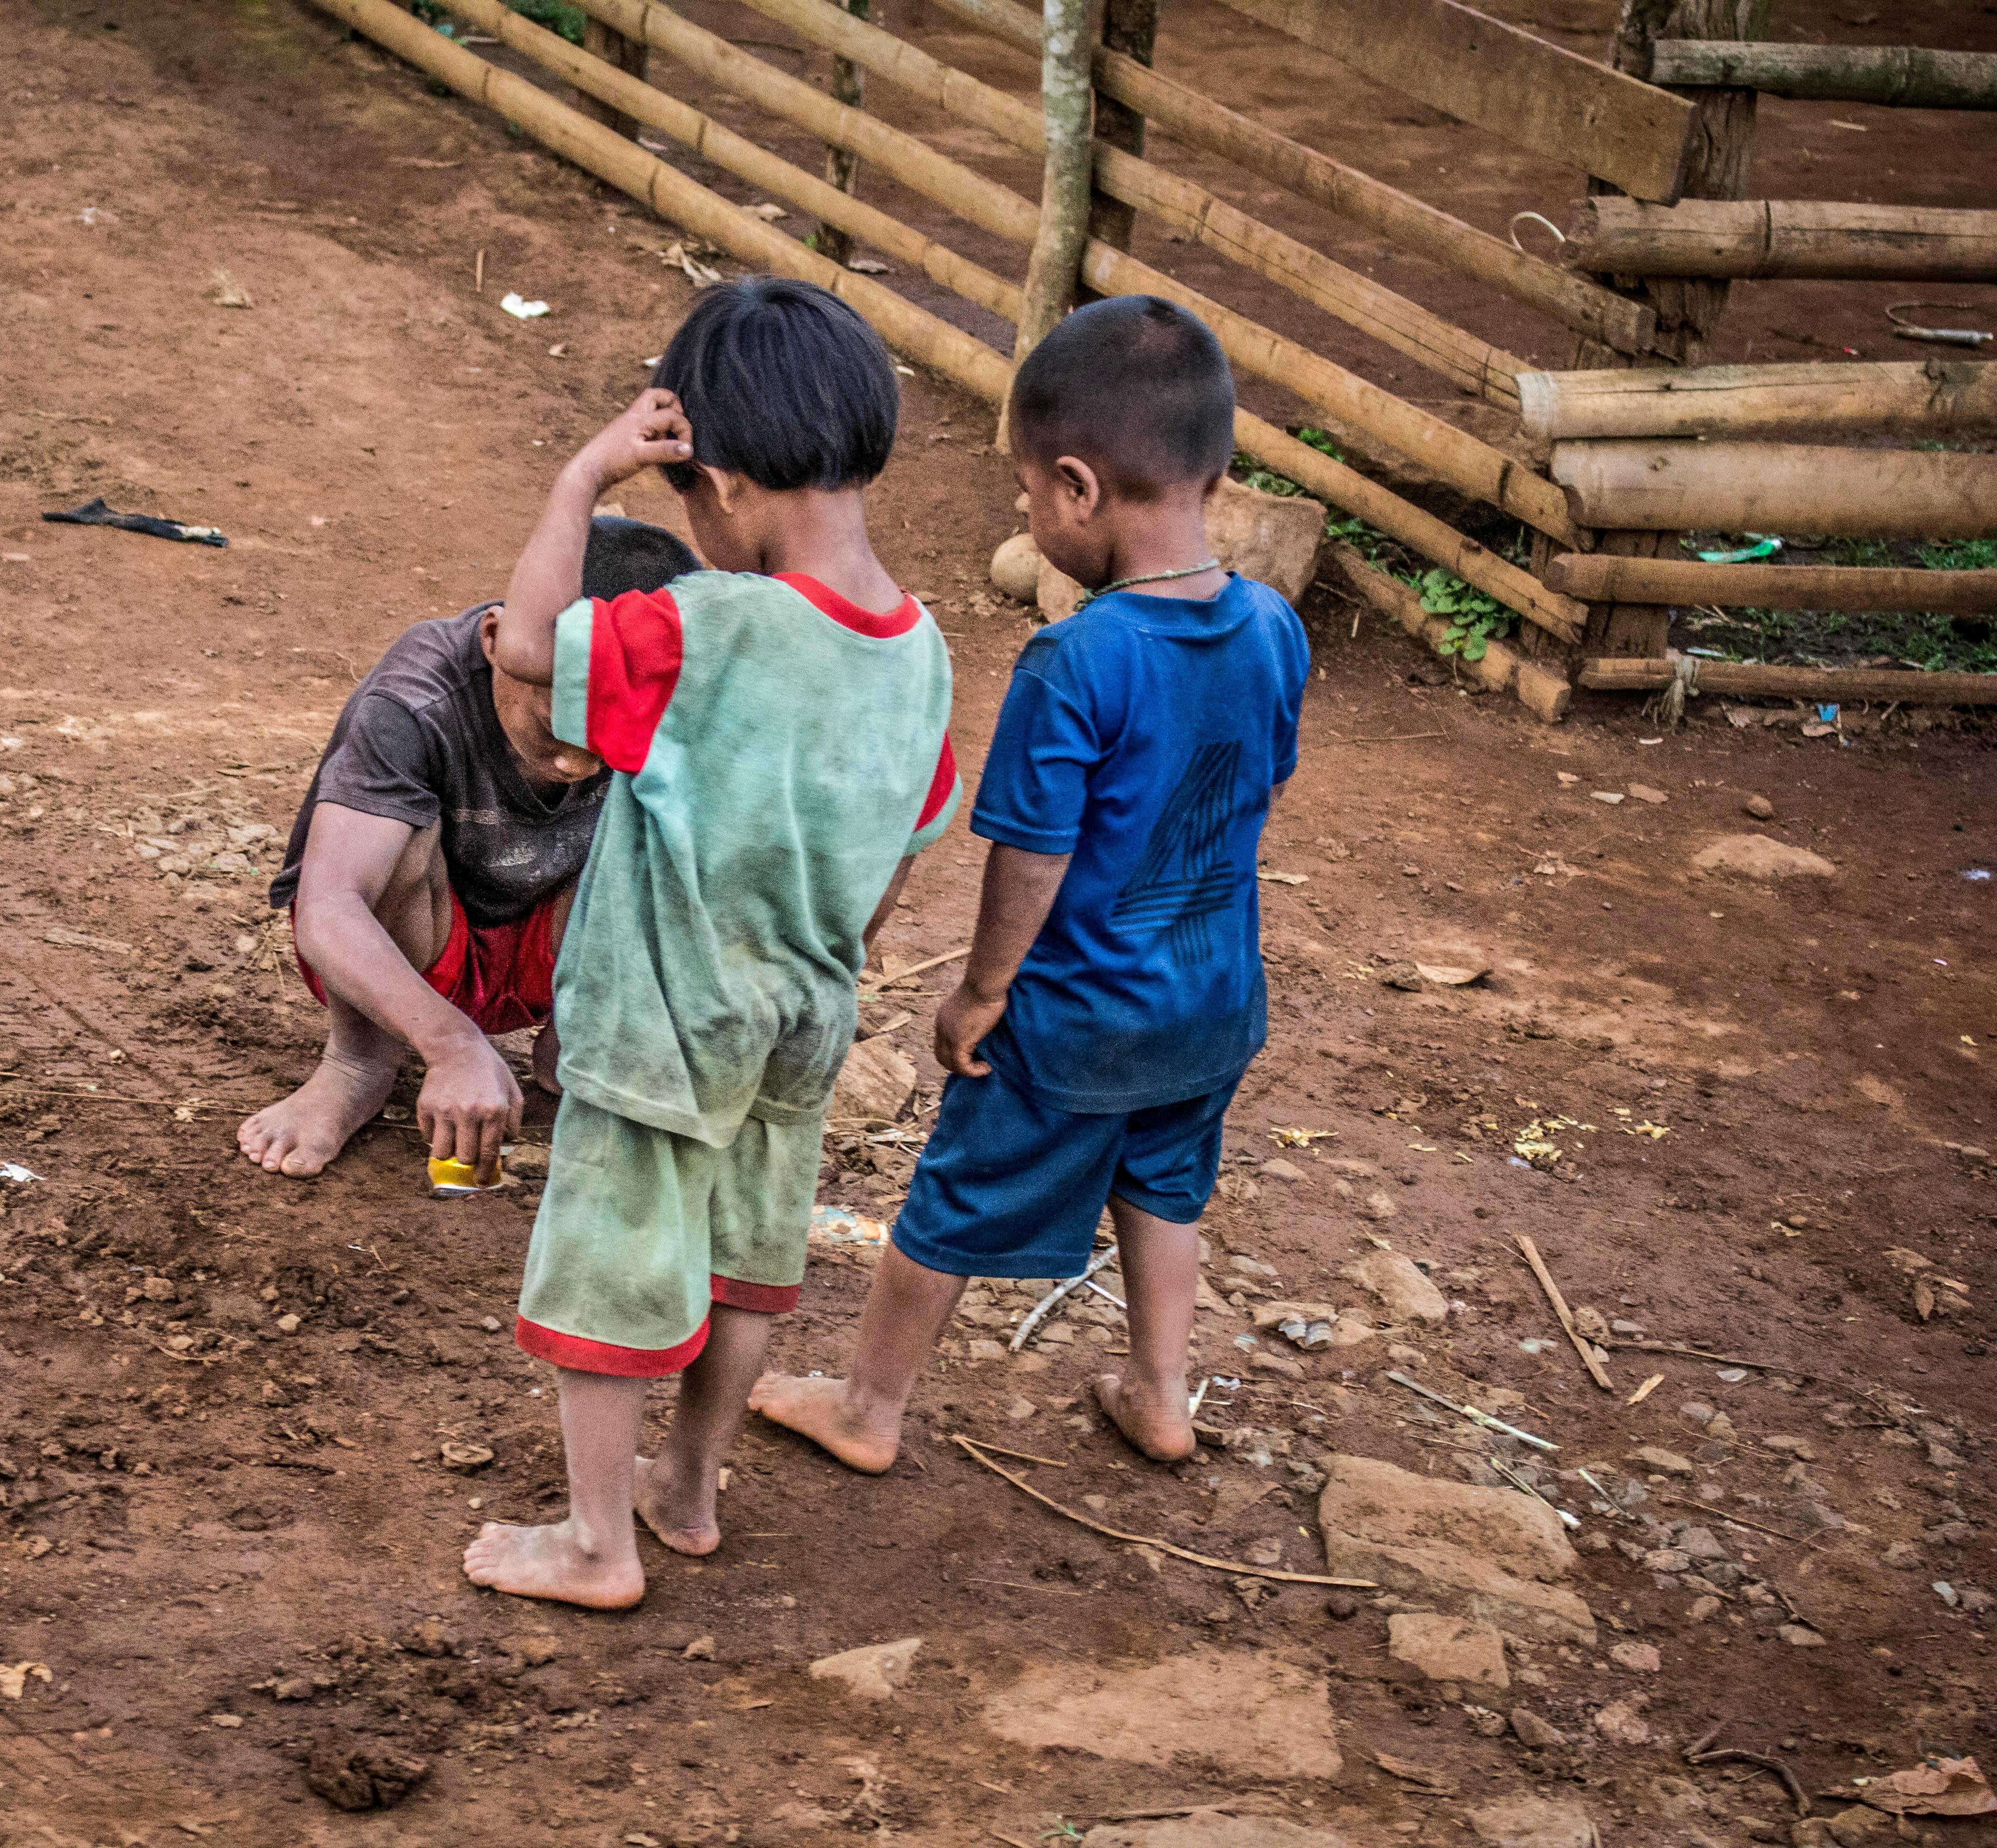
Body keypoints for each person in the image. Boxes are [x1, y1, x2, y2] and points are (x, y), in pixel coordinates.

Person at [462, 279, 959, 1610]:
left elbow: (522, 648)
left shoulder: (703, 627)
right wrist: (830, 961)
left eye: (688, 502)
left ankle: (591, 1542)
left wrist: (579, 480)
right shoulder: (922, 654)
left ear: (726, 486)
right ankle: (684, 1492)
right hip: (802, 1016)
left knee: (615, 1258)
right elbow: (907, 848)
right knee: (747, 1258)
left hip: (658, 1016)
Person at [752, 294, 1309, 1473]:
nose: (1027, 513)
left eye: (1022, 492)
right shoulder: (1272, 627)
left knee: (955, 1199)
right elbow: (1258, 784)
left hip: (1078, 1017)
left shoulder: (1081, 654)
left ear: (1076, 488)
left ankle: (868, 1406)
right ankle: (1163, 1395)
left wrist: (981, 990)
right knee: (1166, 1189)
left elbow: (1034, 852)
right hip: (1216, 1001)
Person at [239, 516, 701, 1180]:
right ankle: (359, 1063)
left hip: (558, 946)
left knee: (671, 825)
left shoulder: (677, 693)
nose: (579, 762)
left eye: (611, 732)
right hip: (419, 953)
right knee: (396, 834)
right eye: (556, 721)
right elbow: (329, 909)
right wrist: (453, 1044)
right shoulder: (417, 698)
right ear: (497, 642)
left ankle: (578, 1045)